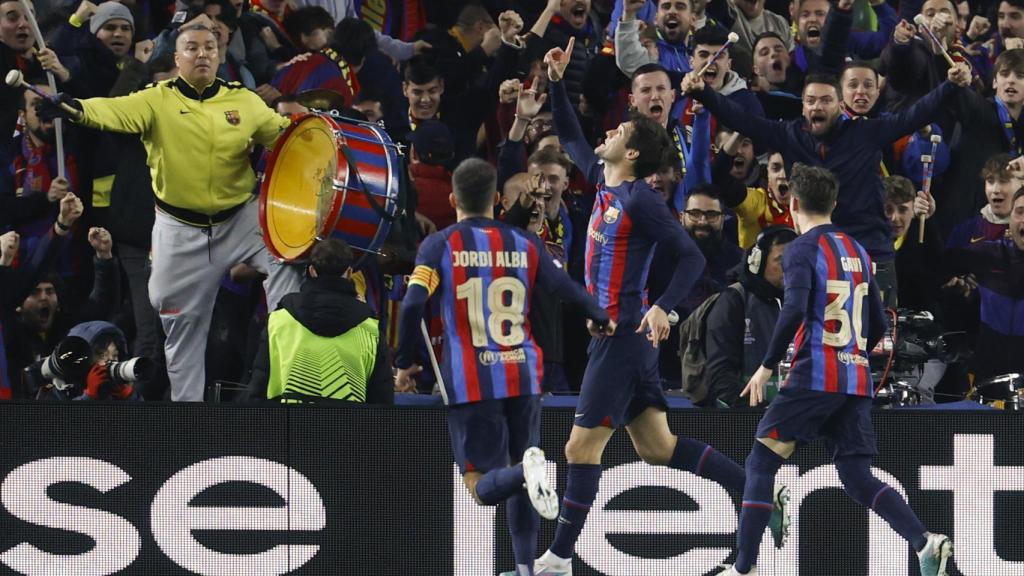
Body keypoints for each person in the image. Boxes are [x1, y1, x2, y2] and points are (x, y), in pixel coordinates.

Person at [534, 38, 786, 575]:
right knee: (657, 448)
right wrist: (556, 83)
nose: (609, 130)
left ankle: (556, 559)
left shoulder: (641, 201)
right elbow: (574, 137)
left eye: (619, 130)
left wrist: (665, 309)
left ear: (631, 154)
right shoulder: (605, 182)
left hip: (622, 340)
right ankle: (757, 490)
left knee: (580, 451)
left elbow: (691, 259)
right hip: (622, 341)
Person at [38, 24, 300, 402]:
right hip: (180, 228)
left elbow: (284, 137)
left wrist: (313, 130)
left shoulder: (244, 102)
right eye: (192, 48)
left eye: (210, 47)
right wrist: (73, 107)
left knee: (288, 255)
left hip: (241, 218)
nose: (202, 53)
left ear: (220, 55)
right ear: (178, 59)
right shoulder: (155, 100)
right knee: (181, 329)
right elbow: (110, 111)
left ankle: (286, 351)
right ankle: (187, 421)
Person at [723, 164, 954, 576]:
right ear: (834, 204)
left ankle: (743, 569)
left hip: (814, 374)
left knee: (760, 464)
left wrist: (766, 365)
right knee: (856, 476)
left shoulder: (800, 249)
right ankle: (924, 542)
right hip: (856, 378)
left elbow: (794, 308)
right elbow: (879, 323)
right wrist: (853, 353)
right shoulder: (859, 251)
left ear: (793, 204)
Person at [394, 158, 612, 576]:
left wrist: (405, 362)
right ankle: (525, 568)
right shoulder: (525, 242)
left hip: (471, 379)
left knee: (481, 486)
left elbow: (413, 305)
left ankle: (524, 477)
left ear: (454, 198)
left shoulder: (439, 245)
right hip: (524, 373)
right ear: (496, 200)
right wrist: (599, 316)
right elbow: (565, 288)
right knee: (522, 471)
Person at [680, 62, 973, 306]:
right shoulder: (790, 134)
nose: (816, 106)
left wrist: (950, 85)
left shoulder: (866, 132)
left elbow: (914, 116)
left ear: (840, 105)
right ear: (803, 107)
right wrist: (704, 92)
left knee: (879, 340)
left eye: (825, 100)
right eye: (810, 101)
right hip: (818, 252)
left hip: (869, 249)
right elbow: (743, 119)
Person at [247, 238, 392, 404]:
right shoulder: (370, 329)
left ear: (312, 271)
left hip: (288, 427)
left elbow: (258, 390)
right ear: (349, 273)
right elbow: (382, 403)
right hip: (348, 428)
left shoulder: (279, 321)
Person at [705, 225, 794, 407]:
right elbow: (720, 377)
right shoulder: (733, 301)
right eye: (781, 260)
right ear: (757, 263)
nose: (792, 267)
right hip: (749, 416)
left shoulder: (805, 300)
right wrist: (755, 410)